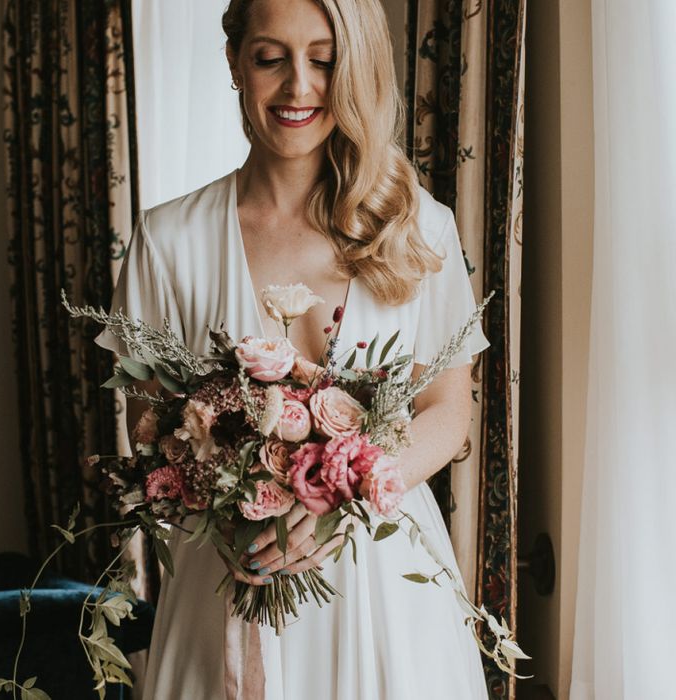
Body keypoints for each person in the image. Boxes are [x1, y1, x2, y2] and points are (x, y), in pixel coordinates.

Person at [96, 0, 490, 697]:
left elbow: (448, 413)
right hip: (226, 577)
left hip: (388, 592)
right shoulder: (168, 242)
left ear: (355, 68)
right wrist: (240, 482)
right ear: (234, 63)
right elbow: (148, 426)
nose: (299, 87)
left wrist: (343, 497)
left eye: (324, 59)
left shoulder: (419, 227)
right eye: (270, 58)